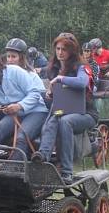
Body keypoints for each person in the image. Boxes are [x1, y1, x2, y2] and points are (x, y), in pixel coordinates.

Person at [32, 33, 98, 184]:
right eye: (58, 48)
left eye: (64, 49)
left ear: (72, 51)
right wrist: (51, 92)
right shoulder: (53, 69)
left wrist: (61, 79)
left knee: (65, 121)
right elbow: (60, 95)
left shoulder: (82, 67)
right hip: (63, 110)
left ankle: (67, 172)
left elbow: (82, 83)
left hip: (86, 113)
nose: (60, 52)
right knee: (55, 117)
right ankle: (42, 157)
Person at [0, 48, 48, 160]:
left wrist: (19, 105)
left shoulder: (14, 71)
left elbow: (35, 93)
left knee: (21, 137)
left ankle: (14, 171)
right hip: (15, 115)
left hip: (36, 112)